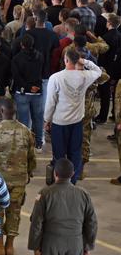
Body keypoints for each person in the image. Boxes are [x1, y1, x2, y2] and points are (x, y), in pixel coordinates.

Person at [0, 100, 36, 255]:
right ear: (16, 112)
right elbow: (31, 157)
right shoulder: (26, 131)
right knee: (15, 211)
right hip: (19, 179)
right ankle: (10, 245)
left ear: (1, 111)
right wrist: (29, 172)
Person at [44, 49, 105, 182]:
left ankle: (59, 181)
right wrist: (85, 61)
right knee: (75, 153)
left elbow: (51, 102)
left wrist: (47, 120)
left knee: (59, 155)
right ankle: (72, 181)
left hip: (60, 123)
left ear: (65, 60)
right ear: (78, 60)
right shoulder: (85, 76)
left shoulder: (56, 78)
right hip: (77, 122)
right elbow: (98, 71)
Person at [28, 158, 97, 255]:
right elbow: (91, 222)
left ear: (55, 173)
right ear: (72, 174)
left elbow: (36, 221)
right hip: (75, 243)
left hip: (51, 243)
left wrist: (35, 246)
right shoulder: (83, 194)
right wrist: (88, 246)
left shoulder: (44, 194)